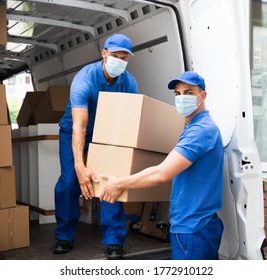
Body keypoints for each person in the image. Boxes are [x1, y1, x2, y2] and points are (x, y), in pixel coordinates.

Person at [99, 71, 224, 260]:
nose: (182, 98)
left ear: (203, 96)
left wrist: (119, 184)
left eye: (188, 93)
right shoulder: (193, 127)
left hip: (193, 227)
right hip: (198, 225)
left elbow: (162, 173)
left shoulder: (200, 131)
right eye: (177, 94)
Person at [53, 34, 138, 259]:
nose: (119, 61)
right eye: (114, 56)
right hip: (74, 130)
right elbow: (79, 127)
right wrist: (81, 167)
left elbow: (128, 120)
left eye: (124, 58)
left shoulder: (128, 83)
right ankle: (64, 236)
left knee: (110, 181)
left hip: (105, 133)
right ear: (104, 53)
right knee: (71, 179)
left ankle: (113, 241)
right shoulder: (85, 79)